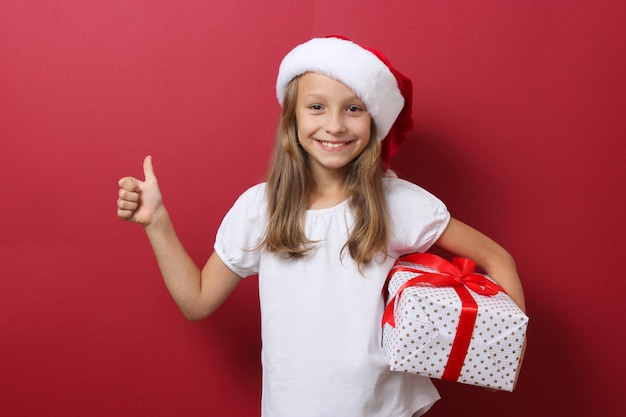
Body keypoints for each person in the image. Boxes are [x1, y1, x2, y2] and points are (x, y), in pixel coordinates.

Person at [117, 36, 526, 417]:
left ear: (374, 121)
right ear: (291, 118)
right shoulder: (259, 208)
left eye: (353, 108)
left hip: (386, 408)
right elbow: (198, 301)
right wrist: (156, 223)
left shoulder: (398, 203)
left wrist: (505, 352)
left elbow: (496, 258)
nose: (334, 125)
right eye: (316, 107)